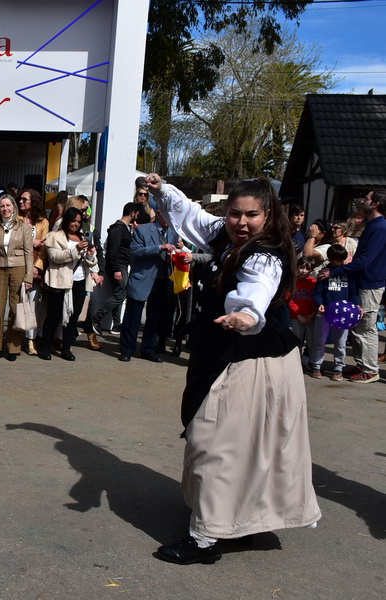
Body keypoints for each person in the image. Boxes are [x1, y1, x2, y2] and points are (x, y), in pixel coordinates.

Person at [147, 173, 320, 565]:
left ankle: (205, 539)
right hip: (228, 354)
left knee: (217, 443)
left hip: (253, 362)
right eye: (234, 214)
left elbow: (258, 286)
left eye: (251, 215)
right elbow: (193, 217)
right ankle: (240, 520)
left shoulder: (265, 254)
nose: (241, 222)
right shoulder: (226, 236)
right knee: (238, 445)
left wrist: (247, 313)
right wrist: (162, 190)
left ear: (268, 215)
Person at [318, 189, 386, 384]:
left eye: (366, 199)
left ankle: (370, 370)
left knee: (366, 328)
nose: (362, 201)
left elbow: (365, 260)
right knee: (357, 326)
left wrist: (335, 272)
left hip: (370, 284)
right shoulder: (373, 225)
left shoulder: (380, 227)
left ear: (375, 204)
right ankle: (362, 364)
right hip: (362, 281)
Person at [118, 211, 179, 362]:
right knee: (133, 316)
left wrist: (176, 255)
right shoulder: (142, 230)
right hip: (143, 278)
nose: (169, 219)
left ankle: (148, 349)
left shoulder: (173, 232)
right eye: (166, 214)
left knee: (154, 317)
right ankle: (127, 350)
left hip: (163, 279)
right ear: (158, 213)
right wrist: (159, 247)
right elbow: (134, 251)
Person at [38, 207, 96, 361]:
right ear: (66, 220)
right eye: (73, 221)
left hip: (80, 281)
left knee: (73, 317)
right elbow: (55, 257)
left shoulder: (83, 237)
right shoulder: (55, 236)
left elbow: (90, 262)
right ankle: (45, 347)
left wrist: (91, 255)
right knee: (54, 315)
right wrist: (75, 249)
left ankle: (66, 348)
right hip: (59, 282)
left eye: (78, 221)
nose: (76, 224)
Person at [0, 193, 33, 360]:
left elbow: (29, 253)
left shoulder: (24, 227)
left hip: (18, 267)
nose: (5, 209)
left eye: (8, 205)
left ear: (14, 207)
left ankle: (13, 347)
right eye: (2, 206)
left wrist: (29, 277)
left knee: (16, 309)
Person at [90, 202, 141, 336]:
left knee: (119, 293)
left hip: (120, 265)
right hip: (118, 266)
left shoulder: (124, 228)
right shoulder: (118, 229)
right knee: (120, 295)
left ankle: (116, 324)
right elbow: (113, 251)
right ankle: (96, 319)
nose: (137, 217)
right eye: (137, 215)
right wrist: (117, 269)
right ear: (132, 214)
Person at [309, 245, 357, 380]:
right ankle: (316, 366)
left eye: (343, 260)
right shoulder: (324, 273)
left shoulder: (348, 273)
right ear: (330, 259)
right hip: (325, 313)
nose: (341, 263)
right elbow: (317, 293)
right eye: (338, 260)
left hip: (343, 315)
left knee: (341, 343)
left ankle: (338, 368)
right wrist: (320, 304)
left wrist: (357, 305)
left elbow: (353, 293)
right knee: (319, 340)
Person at [18, 189, 48, 355]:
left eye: (25, 199)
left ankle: (31, 339)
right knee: (17, 302)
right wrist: (31, 240)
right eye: (20, 199)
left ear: (33, 201)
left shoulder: (43, 222)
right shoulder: (16, 218)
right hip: (17, 264)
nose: (21, 202)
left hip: (35, 265)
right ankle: (14, 338)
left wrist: (37, 267)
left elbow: (44, 247)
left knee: (33, 304)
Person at [288, 257, 317, 369]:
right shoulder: (292, 283)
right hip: (297, 317)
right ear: (296, 268)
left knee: (312, 341)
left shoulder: (314, 283)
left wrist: (313, 315)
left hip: (311, 317)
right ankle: (297, 364)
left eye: (307, 269)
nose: (303, 271)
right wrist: (299, 315)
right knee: (297, 341)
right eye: (301, 267)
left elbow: (317, 300)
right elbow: (289, 300)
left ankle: (312, 363)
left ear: (312, 271)